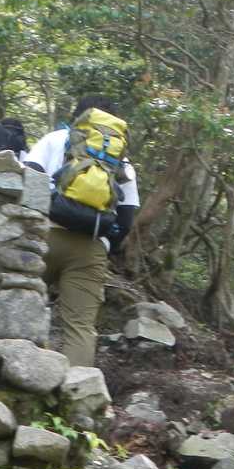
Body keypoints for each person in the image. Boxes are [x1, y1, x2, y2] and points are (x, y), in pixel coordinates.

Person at [23, 96, 139, 368]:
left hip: (41, 237)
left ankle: (21, 377)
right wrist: (106, 244)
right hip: (89, 247)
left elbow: (29, 179)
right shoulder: (119, 160)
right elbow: (127, 217)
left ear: (77, 116)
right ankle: (77, 389)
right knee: (80, 327)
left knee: (22, 305)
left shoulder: (55, 139)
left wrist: (33, 225)